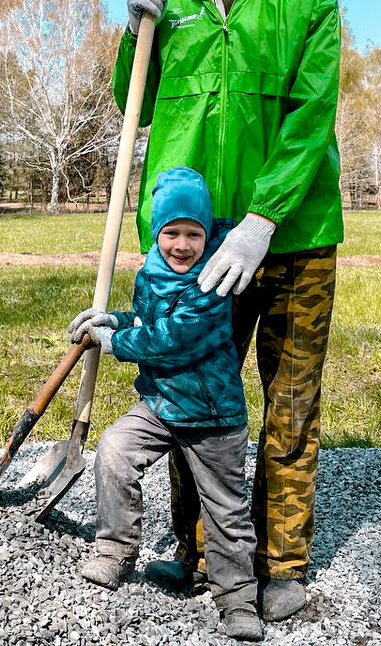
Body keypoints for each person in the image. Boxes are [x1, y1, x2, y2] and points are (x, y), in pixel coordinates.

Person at [113, 0, 342, 622]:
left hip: (296, 239)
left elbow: (311, 121)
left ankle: (281, 566)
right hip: (197, 247)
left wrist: (265, 217)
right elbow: (133, 104)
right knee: (191, 395)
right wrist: (134, 28)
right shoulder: (170, 1)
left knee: (290, 407)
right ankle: (201, 550)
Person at [70, 167, 263, 642]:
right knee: (114, 448)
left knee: (225, 508)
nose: (182, 244)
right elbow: (147, 318)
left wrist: (118, 342)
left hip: (212, 416)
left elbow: (174, 337)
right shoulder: (151, 273)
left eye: (193, 234)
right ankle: (115, 549)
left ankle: (237, 599)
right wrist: (113, 317)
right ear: (156, 234)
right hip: (161, 403)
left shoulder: (214, 281)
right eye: (171, 232)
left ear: (207, 235)